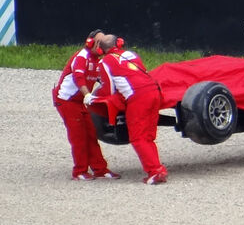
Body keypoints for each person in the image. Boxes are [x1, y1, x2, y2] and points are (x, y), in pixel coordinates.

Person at [89, 35, 168, 185]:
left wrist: (93, 98)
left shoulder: (105, 62)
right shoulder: (132, 54)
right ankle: (158, 169)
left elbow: (109, 89)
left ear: (101, 49)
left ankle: (155, 171)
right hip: (154, 92)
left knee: (138, 137)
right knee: (148, 136)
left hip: (138, 98)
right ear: (119, 43)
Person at [52, 30, 120, 181]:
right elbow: (78, 78)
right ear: (90, 43)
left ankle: (100, 169)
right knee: (78, 136)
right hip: (66, 101)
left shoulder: (99, 60)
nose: (102, 47)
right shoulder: (82, 57)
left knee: (91, 134)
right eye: (99, 43)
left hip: (80, 101)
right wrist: (88, 95)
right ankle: (79, 171)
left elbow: (103, 80)